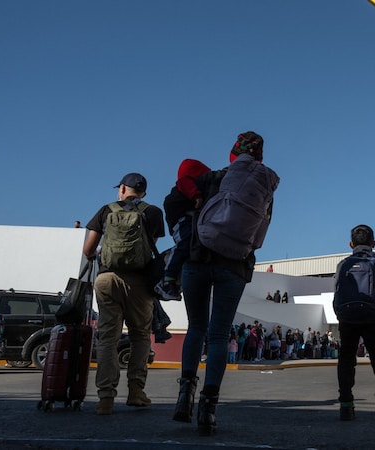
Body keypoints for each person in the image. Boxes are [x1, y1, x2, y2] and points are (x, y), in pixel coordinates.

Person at [172, 130, 276, 436]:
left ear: (233, 154)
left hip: (198, 259)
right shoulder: (264, 188)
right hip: (234, 266)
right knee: (218, 336)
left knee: (196, 328)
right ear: (260, 158)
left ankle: (184, 396)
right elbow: (260, 235)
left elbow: (179, 197)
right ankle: (208, 409)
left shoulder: (213, 178)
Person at [82, 173, 165, 416]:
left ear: (121, 189)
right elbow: (150, 245)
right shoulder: (153, 212)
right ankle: (136, 392)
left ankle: (105, 397)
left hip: (108, 279)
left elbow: (87, 250)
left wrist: (98, 253)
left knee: (108, 337)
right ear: (144, 193)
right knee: (140, 336)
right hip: (140, 282)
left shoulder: (105, 210)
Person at [333, 224, 375, 421]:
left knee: (346, 358)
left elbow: (336, 290)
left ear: (350, 244)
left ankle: (346, 404)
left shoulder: (343, 263)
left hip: (347, 317)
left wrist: (340, 314)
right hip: (371, 315)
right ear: (373, 243)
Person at [155, 158, 212, 300]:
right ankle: (167, 279)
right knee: (184, 243)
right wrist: (196, 195)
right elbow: (185, 182)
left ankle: (175, 283)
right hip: (181, 221)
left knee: (191, 247)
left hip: (188, 221)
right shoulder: (185, 183)